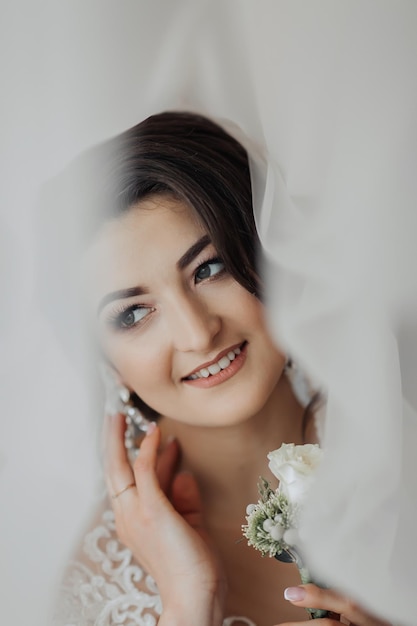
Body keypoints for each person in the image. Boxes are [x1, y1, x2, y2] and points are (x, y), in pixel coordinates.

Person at [55, 111, 391, 626]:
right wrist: (190, 603)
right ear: (102, 360)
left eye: (208, 268)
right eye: (132, 314)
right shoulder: (100, 589)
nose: (197, 333)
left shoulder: (398, 437)